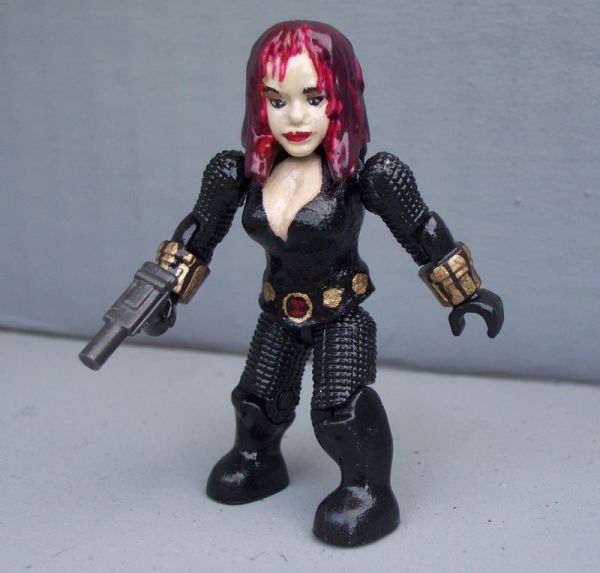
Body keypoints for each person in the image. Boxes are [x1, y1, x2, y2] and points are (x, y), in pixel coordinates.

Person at [145, 20, 503, 546]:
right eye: (277, 99)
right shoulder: (239, 174)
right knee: (255, 399)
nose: (295, 116)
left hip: (340, 311)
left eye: (313, 99)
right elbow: (198, 232)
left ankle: (368, 490)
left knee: (340, 408)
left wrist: (465, 292)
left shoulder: (366, 176)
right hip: (278, 309)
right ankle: (258, 459)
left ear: (342, 100)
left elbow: (421, 228)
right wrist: (165, 292)